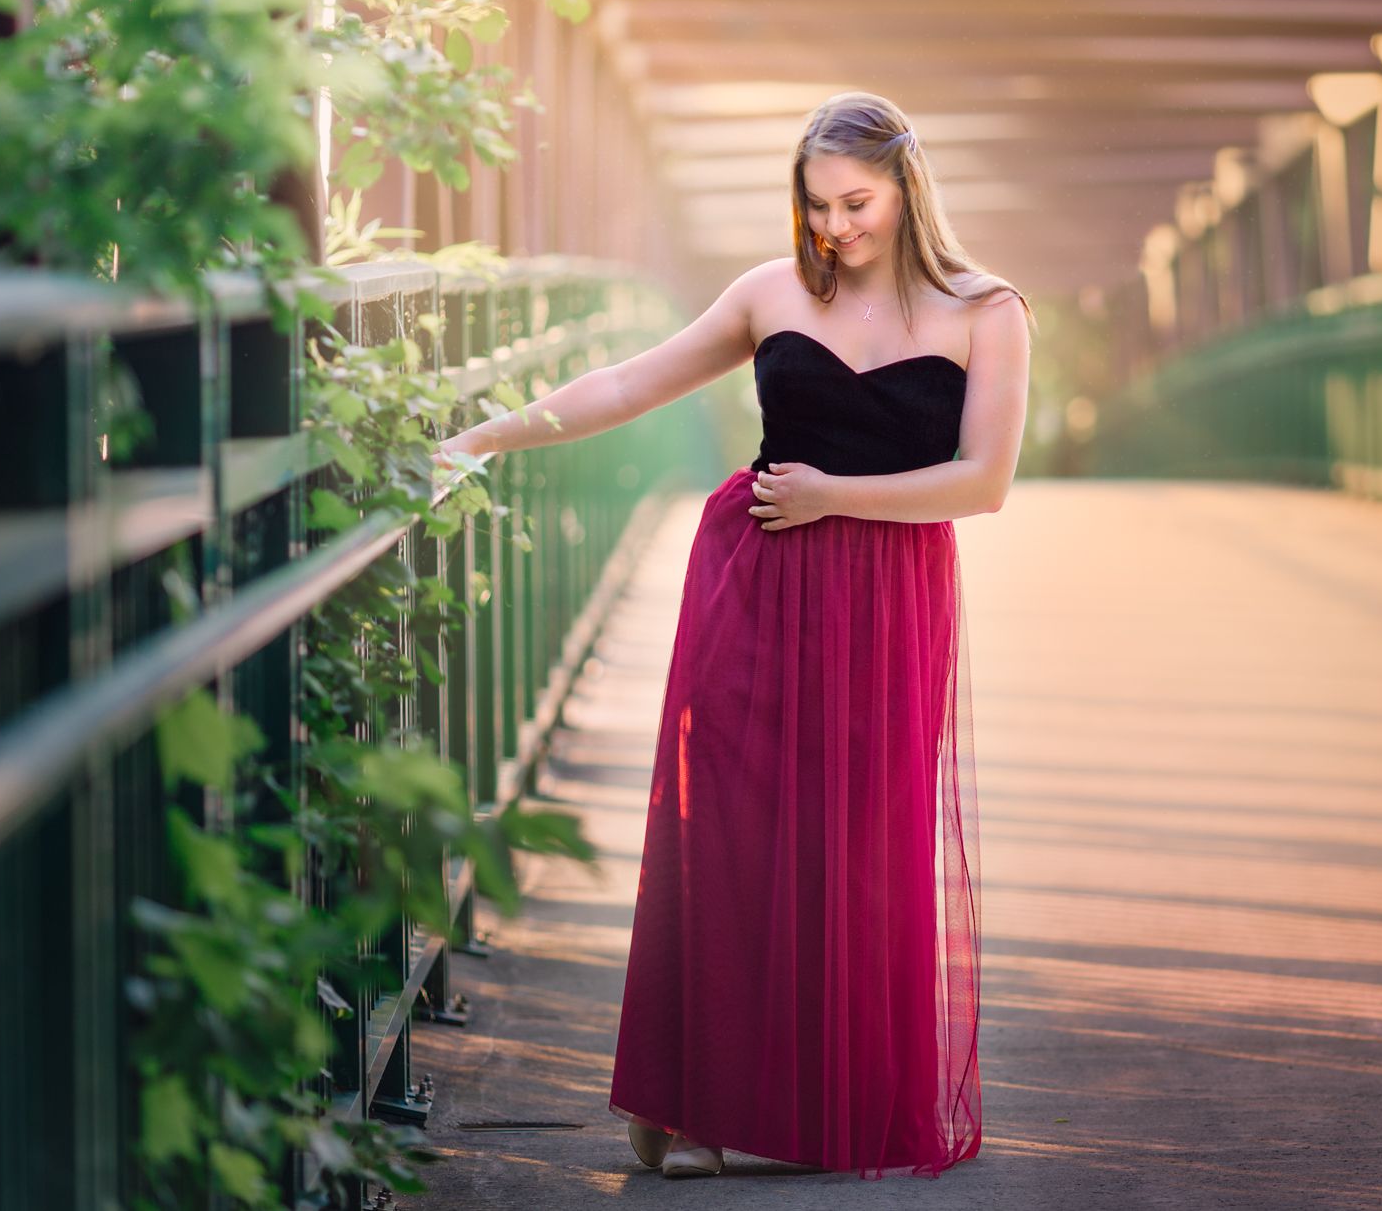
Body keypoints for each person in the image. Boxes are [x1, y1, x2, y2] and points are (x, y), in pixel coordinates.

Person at [433, 91, 1034, 1179]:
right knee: (728, 827)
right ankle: (690, 1091)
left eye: (854, 203)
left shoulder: (986, 310)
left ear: (907, 186)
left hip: (887, 596)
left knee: (862, 848)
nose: (835, 228)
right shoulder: (769, 292)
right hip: (752, 578)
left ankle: (830, 1106)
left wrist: (836, 496)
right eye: (815, 208)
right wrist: (481, 435)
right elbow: (627, 381)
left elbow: (982, 482)